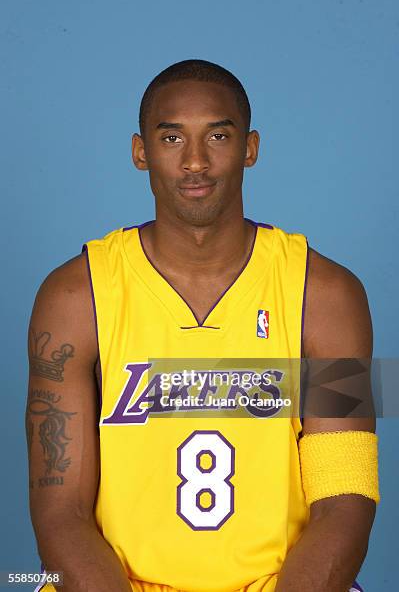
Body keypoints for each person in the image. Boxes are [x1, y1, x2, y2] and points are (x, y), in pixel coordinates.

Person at [26, 59, 379, 592]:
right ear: (140, 152)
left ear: (251, 148)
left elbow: (345, 498)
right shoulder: (74, 296)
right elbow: (60, 513)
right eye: (171, 138)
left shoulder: (328, 295)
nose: (195, 162)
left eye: (217, 135)